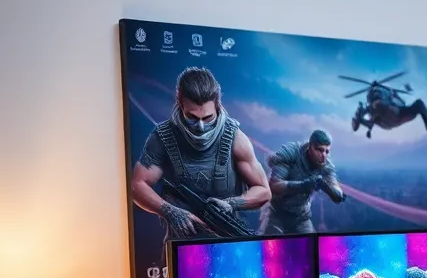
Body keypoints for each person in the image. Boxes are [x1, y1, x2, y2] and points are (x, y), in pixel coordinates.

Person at [130, 67, 270, 240]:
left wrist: (231, 204)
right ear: (180, 103)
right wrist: (171, 212)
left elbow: (263, 190)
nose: (201, 127)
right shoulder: (163, 137)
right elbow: (138, 185)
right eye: (192, 117)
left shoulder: (235, 138)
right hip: (182, 247)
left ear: (218, 105)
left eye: (208, 118)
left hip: (228, 241)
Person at [259, 129, 346, 235]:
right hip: (276, 214)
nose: (323, 156)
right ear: (310, 146)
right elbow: (274, 186)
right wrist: (304, 185)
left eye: (327, 151)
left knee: (311, 246)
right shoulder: (291, 153)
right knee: (271, 244)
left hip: (301, 218)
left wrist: (325, 186)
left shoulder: (326, 165)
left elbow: (338, 195)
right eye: (319, 150)